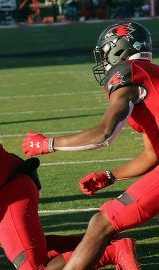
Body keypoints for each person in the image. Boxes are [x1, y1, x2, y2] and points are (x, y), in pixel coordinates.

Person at [0, 72, 140, 269]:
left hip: (9, 193)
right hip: (3, 192)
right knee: (32, 248)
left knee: (33, 267)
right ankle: (103, 242)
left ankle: (113, 252)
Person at [22, 21, 153, 269]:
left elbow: (104, 133)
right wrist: (110, 175)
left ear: (119, 50)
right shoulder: (150, 75)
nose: (104, 61)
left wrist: (48, 144)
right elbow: (152, 155)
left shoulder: (128, 71)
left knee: (102, 223)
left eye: (105, 53)